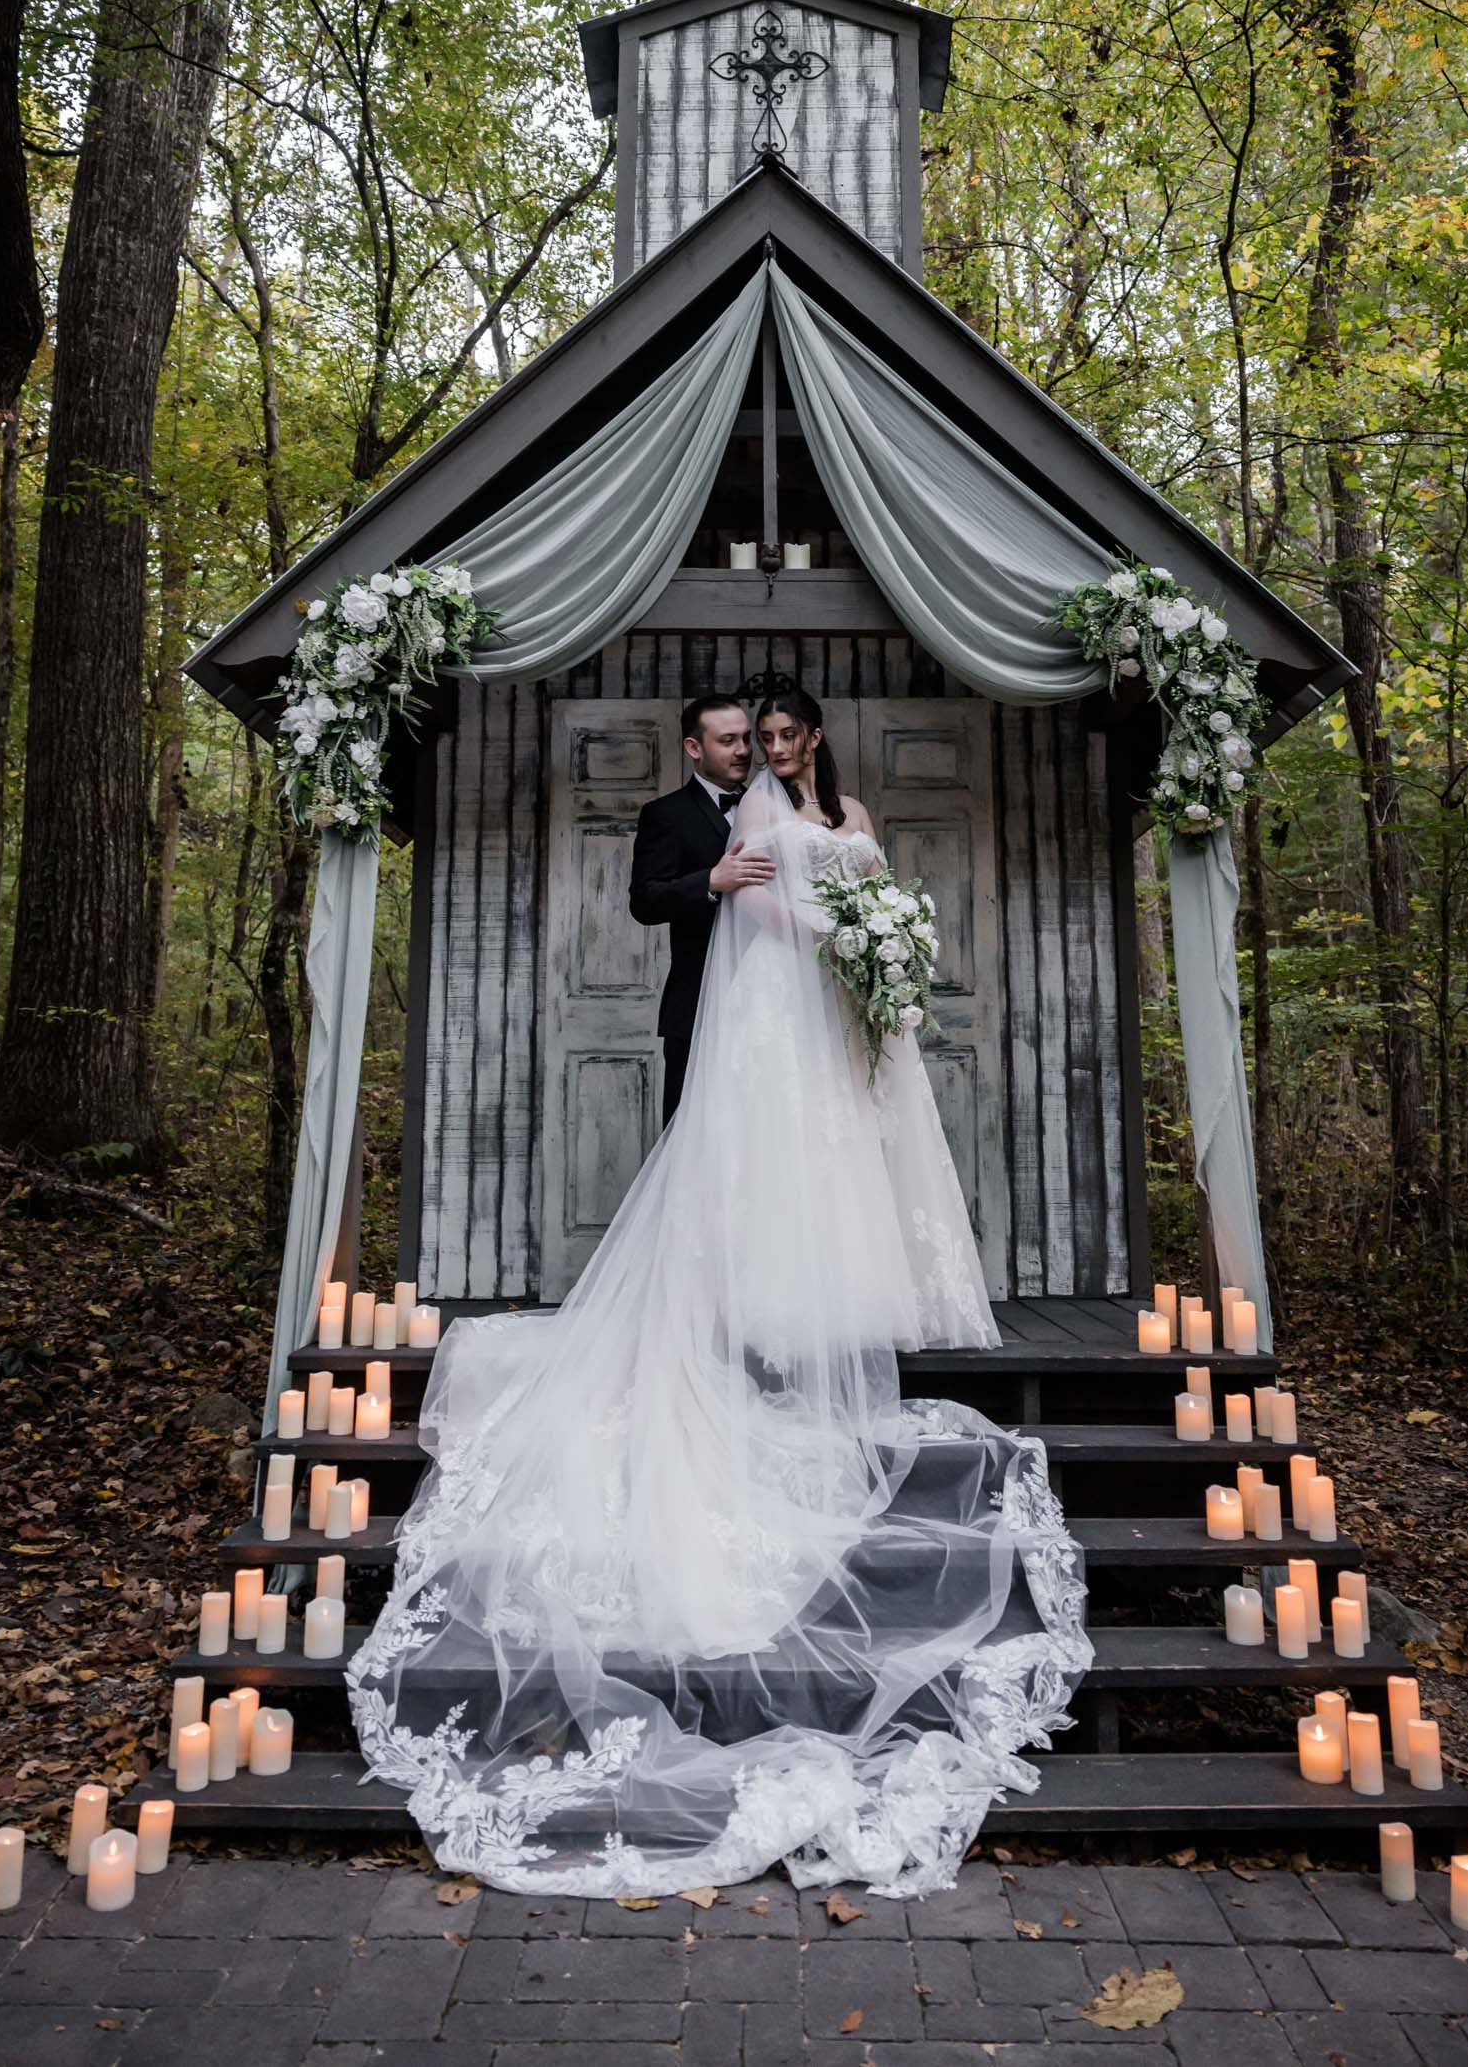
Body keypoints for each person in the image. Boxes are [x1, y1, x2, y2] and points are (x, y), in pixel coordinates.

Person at [347, 683, 1091, 1898]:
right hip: (735, 1008)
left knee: (824, 1168)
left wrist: (874, 942)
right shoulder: (708, 815)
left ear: (803, 741)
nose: (761, 751)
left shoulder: (836, 804)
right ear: (706, 745)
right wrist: (738, 893)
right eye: (746, 738)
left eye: (775, 736)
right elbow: (681, 900)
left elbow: (853, 886)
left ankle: (819, 1299)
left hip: (828, 1008)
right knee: (733, 1168)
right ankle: (734, 1306)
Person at [628, 693, 774, 1124]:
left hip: (772, 1000)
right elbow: (645, 901)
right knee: (691, 1133)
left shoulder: (774, 809)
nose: (744, 751)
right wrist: (710, 881)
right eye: (728, 740)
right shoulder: (665, 815)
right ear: (694, 748)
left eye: (747, 739)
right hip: (697, 1004)